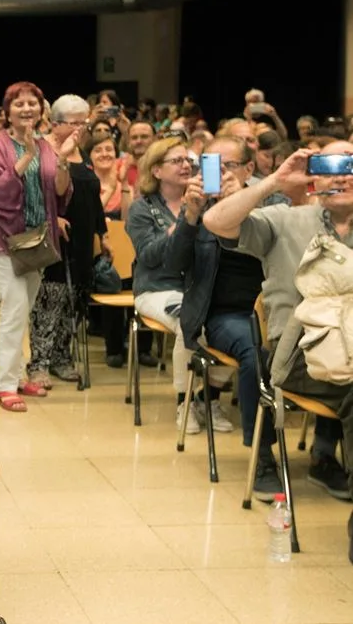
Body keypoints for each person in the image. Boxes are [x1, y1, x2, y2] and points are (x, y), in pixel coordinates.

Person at [204, 142, 353, 517]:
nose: (340, 174)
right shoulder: (286, 219)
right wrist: (273, 181)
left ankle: (326, 457)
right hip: (300, 356)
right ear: (313, 176)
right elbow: (216, 221)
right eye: (329, 165)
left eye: (350, 165)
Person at [177, 135, 285, 498]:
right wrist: (191, 218)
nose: (220, 174)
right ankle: (264, 456)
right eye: (212, 166)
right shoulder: (198, 204)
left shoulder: (272, 201)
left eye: (229, 166)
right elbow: (173, 265)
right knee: (258, 357)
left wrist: (244, 201)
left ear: (250, 170)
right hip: (227, 314)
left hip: (277, 309)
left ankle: (324, 452)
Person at [127, 136, 235, 433]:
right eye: (176, 161)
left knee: (229, 322)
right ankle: (183, 402)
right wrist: (181, 224)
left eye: (189, 160)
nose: (186, 165)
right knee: (187, 321)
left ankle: (208, 398)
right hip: (158, 289)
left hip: (200, 286)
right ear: (157, 170)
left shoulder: (207, 200)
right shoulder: (143, 209)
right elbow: (148, 256)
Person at [0, 82, 73, 413]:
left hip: (36, 239)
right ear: (7, 110)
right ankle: (5, 385)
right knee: (15, 306)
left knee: (24, 306)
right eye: (19, 104)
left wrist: (61, 163)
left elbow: (60, 193)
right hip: (2, 238)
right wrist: (28, 154)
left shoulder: (48, 146)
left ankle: (18, 375)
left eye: (33, 103)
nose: (27, 108)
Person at [26, 95, 104, 387]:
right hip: (53, 236)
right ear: (55, 122)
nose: (81, 128)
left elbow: (92, 195)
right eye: (75, 123)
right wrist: (51, 217)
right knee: (50, 300)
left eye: (85, 122)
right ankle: (39, 363)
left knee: (73, 300)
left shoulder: (81, 150)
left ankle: (62, 357)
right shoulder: (41, 149)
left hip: (82, 237)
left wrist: (102, 232)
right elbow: (33, 193)